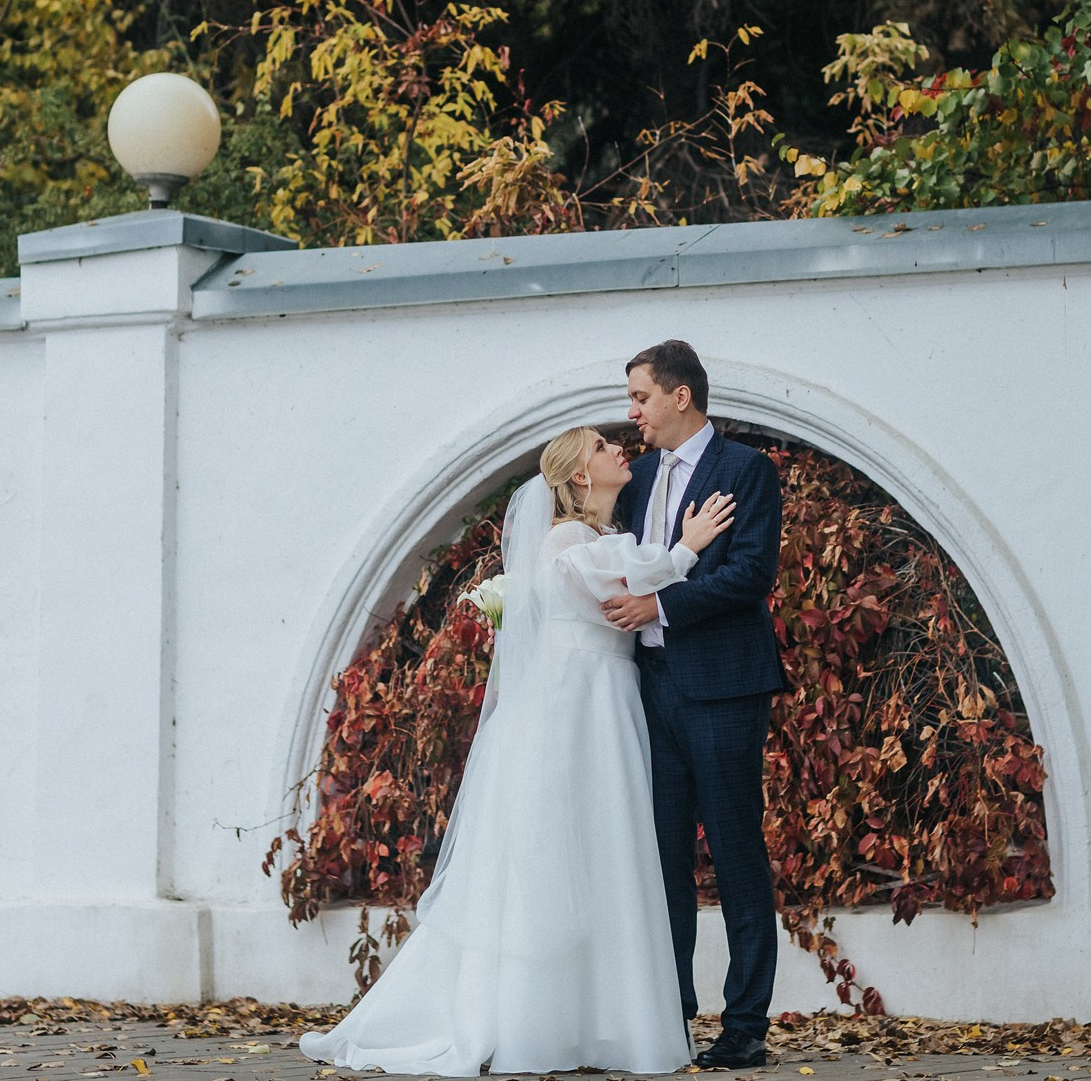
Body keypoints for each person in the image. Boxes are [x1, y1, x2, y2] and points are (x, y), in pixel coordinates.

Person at [299, 425, 738, 1076]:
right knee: (565, 859)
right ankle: (546, 1022)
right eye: (601, 448)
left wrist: (673, 556)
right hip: (576, 712)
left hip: (600, 704)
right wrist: (686, 550)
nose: (620, 450)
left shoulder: (587, 538)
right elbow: (627, 582)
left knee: (599, 857)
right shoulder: (570, 539)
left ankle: (589, 1023)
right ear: (581, 477)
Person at [603, 340, 786, 1070]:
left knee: (738, 852)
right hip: (647, 690)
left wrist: (660, 604)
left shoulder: (746, 470)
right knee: (663, 857)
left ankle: (745, 1024)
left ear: (682, 395)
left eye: (641, 396)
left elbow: (750, 573)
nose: (633, 411)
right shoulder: (639, 475)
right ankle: (669, 1014)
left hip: (724, 688)